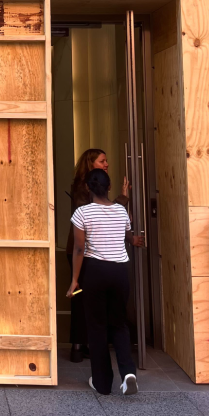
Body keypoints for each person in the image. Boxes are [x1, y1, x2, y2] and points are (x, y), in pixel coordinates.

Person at [67, 168, 143, 394]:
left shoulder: (82, 213)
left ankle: (102, 383)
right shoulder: (121, 211)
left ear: (88, 188)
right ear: (109, 188)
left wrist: (74, 280)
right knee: (119, 323)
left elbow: (79, 248)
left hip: (95, 271)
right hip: (120, 271)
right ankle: (128, 372)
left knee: (97, 327)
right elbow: (127, 237)